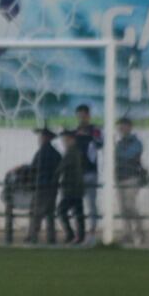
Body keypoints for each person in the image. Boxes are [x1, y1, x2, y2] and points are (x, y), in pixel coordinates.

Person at [115, 117, 149, 246]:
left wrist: (116, 151)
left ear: (129, 127)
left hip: (132, 177)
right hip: (120, 177)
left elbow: (129, 155)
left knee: (130, 205)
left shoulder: (136, 142)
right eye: (120, 126)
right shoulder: (119, 143)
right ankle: (127, 234)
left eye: (123, 126)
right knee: (123, 208)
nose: (121, 129)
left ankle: (140, 231)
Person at [74, 103, 103, 242]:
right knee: (77, 203)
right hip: (78, 174)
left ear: (88, 116)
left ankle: (93, 231)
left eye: (84, 115)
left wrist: (88, 135)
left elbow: (100, 143)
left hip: (91, 172)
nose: (81, 118)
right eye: (79, 116)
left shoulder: (94, 130)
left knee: (91, 203)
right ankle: (80, 232)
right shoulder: (75, 131)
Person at [26, 127, 61, 245]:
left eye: (41, 136)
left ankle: (32, 236)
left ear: (45, 138)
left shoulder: (41, 153)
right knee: (50, 213)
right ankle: (51, 238)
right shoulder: (56, 153)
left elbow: (34, 169)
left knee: (36, 213)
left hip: (41, 186)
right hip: (53, 187)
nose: (39, 139)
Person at [58, 130, 87, 245]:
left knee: (61, 211)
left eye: (65, 140)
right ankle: (80, 236)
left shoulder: (71, 152)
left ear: (72, 139)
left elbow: (61, 168)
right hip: (77, 188)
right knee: (78, 212)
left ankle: (71, 234)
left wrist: (53, 178)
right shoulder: (76, 152)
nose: (64, 142)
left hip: (71, 188)